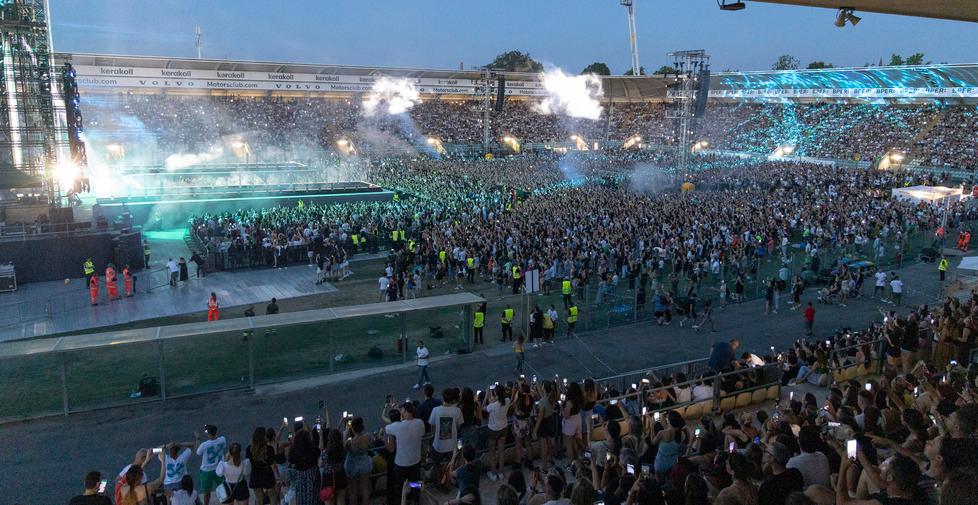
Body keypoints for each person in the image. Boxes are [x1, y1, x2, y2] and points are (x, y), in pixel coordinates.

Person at [385, 402, 425, 501]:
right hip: (416, 460)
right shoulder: (420, 423)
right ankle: (415, 498)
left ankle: (402, 500)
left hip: (402, 463)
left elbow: (387, 429)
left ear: (405, 411)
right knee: (414, 483)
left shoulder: (397, 426)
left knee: (400, 485)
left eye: (402, 410)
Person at [429, 388, 464, 467]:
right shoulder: (457, 411)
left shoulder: (435, 410)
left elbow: (432, 426)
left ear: (443, 398)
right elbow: (459, 426)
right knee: (452, 466)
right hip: (452, 446)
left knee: (437, 466)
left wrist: (434, 434)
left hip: (438, 446)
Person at [484, 385, 512, 481]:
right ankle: (501, 472)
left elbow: (483, 408)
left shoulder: (493, 406)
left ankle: (493, 473)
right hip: (504, 428)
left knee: (492, 452)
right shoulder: (507, 400)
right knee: (501, 451)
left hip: (493, 430)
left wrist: (487, 396)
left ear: (495, 394)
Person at [344, 417, 373, 505]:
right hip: (365, 464)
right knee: (365, 488)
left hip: (352, 466)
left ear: (352, 429)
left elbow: (344, 449)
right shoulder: (368, 437)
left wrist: (347, 434)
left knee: (353, 491)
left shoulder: (350, 442)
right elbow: (371, 445)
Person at [196, 424, 227, 505]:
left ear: (208, 434)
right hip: (219, 468)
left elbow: (198, 452)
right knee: (222, 488)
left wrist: (198, 438)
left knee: (206, 491)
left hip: (207, 471)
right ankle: (225, 502)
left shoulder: (204, 445)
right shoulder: (223, 439)